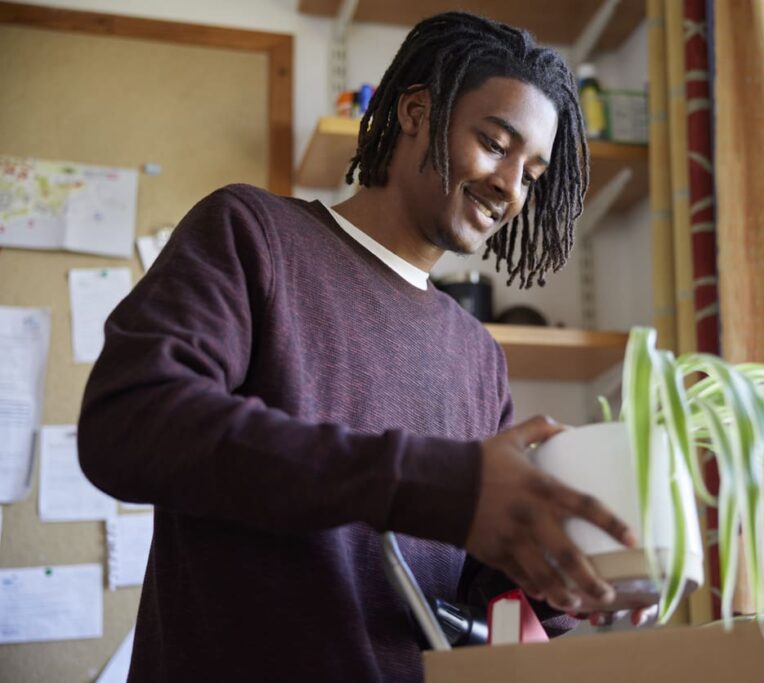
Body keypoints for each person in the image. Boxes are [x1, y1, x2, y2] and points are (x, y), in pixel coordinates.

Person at [79, 12, 640, 682]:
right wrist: (434, 482)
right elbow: (131, 422)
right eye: (495, 142)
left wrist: (578, 572)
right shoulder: (253, 235)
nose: (510, 188)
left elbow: (485, 601)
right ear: (415, 111)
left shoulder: (477, 354)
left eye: (533, 173)